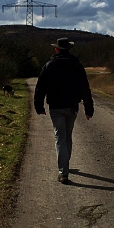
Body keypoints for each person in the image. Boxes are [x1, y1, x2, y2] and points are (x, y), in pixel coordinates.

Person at [34, 38, 94, 184]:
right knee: (67, 136)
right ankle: (65, 165)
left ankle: (63, 172)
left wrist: (39, 106)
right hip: (72, 106)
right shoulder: (77, 66)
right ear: (69, 50)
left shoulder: (49, 66)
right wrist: (89, 108)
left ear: (56, 49)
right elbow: (84, 88)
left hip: (56, 107)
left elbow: (40, 88)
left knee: (60, 137)